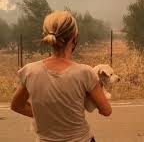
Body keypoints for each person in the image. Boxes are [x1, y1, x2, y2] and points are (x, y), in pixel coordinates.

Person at [10, 11, 112, 142]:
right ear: (75, 37)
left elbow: (16, 106)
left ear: (46, 36)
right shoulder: (85, 73)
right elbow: (106, 111)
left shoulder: (30, 71)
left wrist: (46, 117)